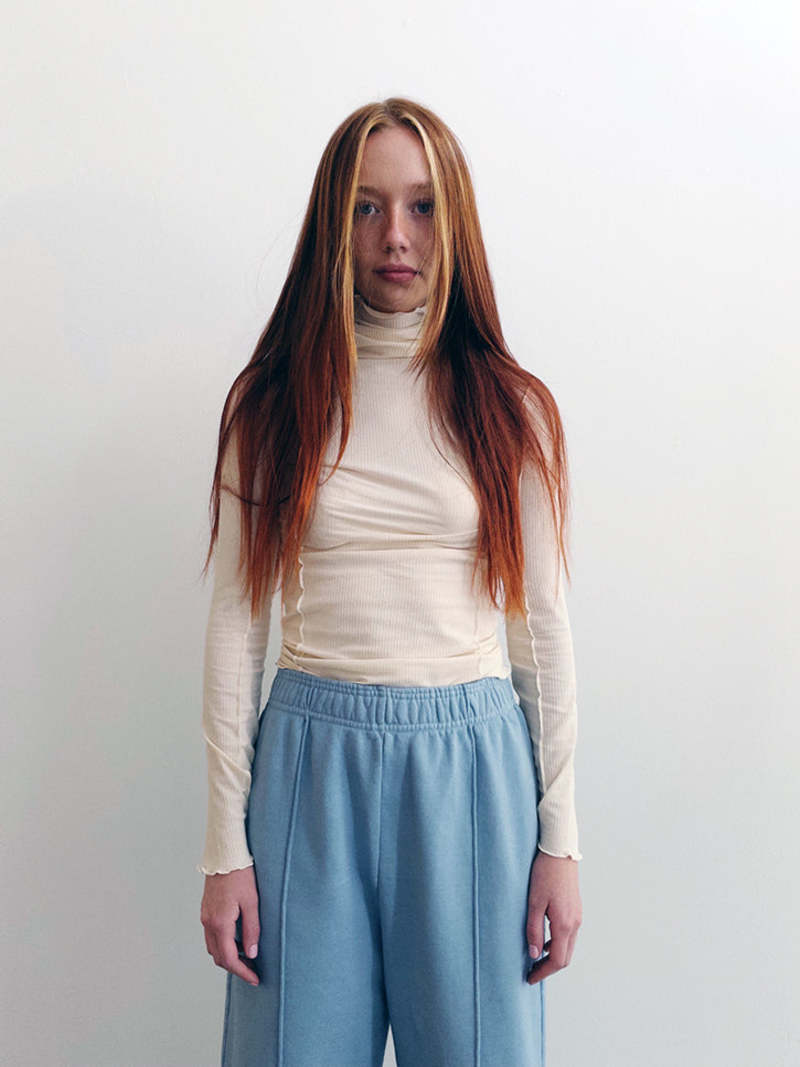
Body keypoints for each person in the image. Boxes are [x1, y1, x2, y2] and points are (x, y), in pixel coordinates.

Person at [197, 96, 583, 1067]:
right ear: (334, 225)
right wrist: (224, 848)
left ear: (453, 222)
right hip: (308, 765)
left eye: (420, 207)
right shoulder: (272, 404)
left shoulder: (509, 410)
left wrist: (560, 840)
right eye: (366, 208)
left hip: (471, 773)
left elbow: (541, 630)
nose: (395, 237)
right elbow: (236, 626)